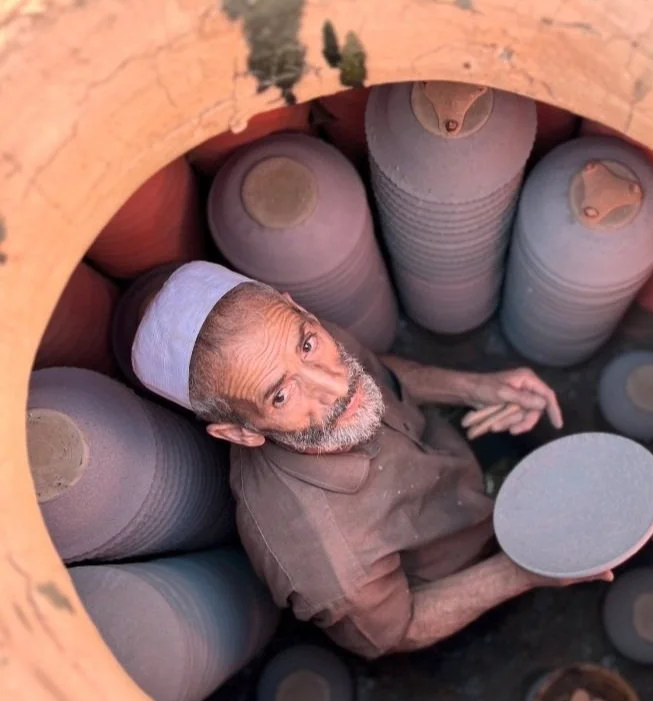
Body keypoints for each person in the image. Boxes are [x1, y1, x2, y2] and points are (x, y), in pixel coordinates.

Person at [132, 261, 612, 659]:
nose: (335, 386)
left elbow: (381, 374)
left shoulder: (301, 342)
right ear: (240, 432)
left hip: (455, 470)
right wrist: (522, 571)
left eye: (307, 344)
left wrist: (476, 388)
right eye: (281, 396)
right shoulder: (326, 559)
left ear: (294, 306)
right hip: (457, 569)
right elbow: (399, 629)